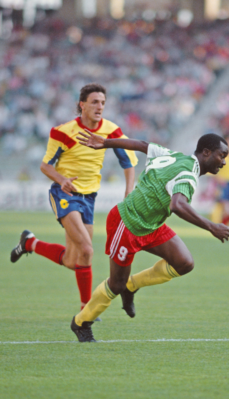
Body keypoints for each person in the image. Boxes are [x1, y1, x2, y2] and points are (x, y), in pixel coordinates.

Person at [69, 132, 229, 342]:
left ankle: (132, 285)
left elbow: (142, 145)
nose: (224, 161)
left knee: (184, 263)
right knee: (116, 285)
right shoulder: (188, 174)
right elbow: (178, 205)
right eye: (222, 155)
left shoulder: (174, 156)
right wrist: (211, 226)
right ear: (207, 153)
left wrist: (106, 143)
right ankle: (81, 322)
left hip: (151, 226)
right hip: (127, 223)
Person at [10, 83, 138, 314]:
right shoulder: (62, 132)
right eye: (95, 102)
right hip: (65, 194)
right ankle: (86, 311)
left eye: (103, 103)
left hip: (89, 199)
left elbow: (128, 163)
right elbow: (45, 166)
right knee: (87, 250)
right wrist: (62, 180)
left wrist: (128, 191)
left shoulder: (111, 130)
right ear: (82, 105)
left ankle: (29, 243)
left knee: (73, 260)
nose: (100, 107)